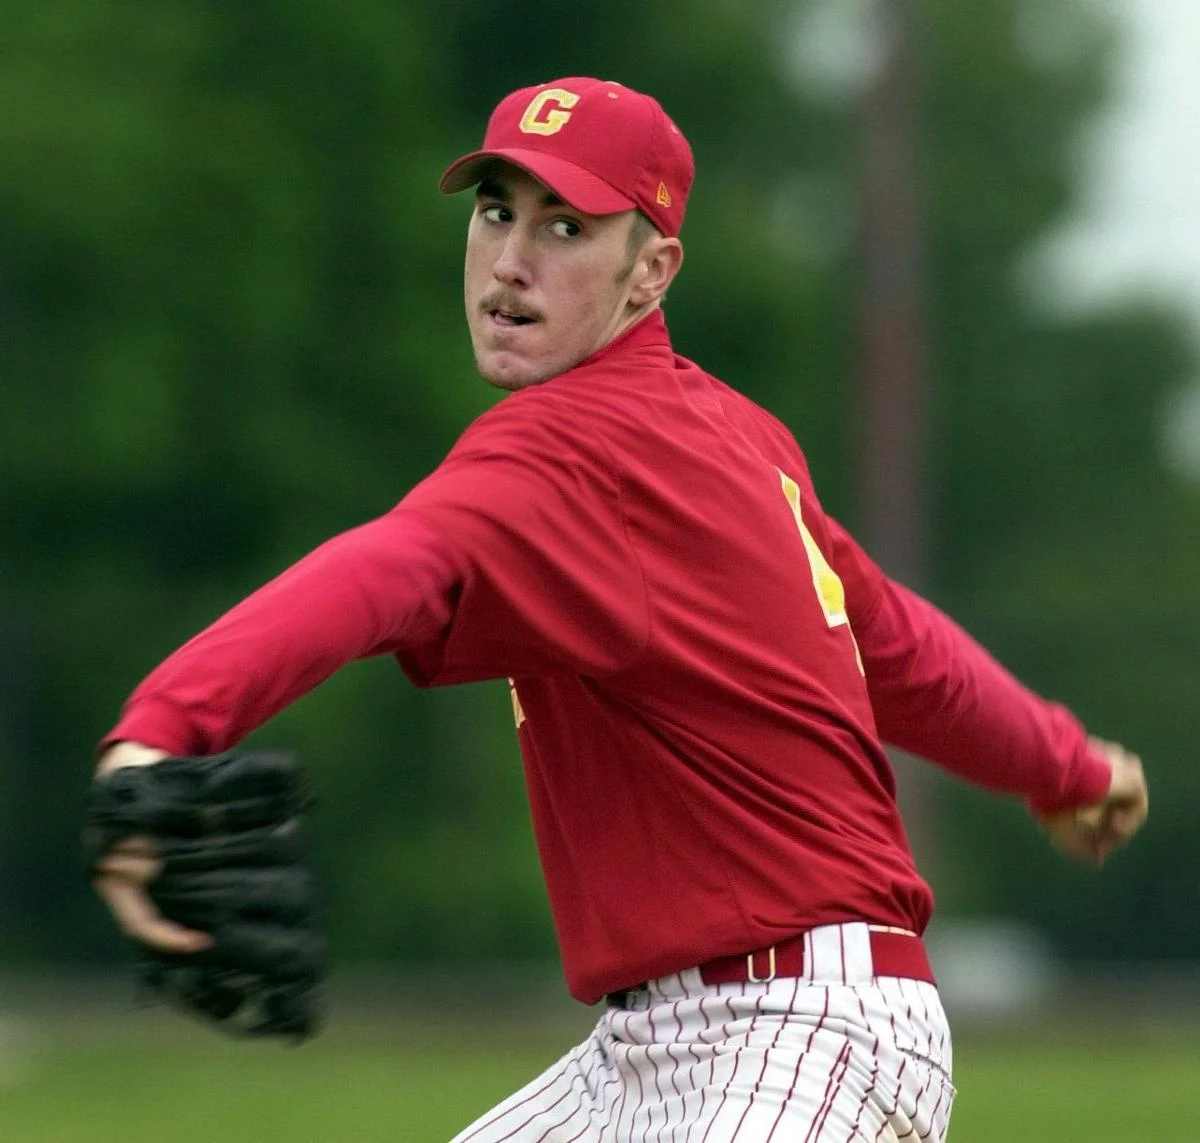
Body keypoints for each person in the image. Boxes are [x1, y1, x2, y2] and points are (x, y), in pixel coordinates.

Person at [92, 77, 1148, 1141]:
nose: (511, 260)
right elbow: (893, 646)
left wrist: (162, 733)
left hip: (796, 1033)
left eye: (567, 228)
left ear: (652, 272)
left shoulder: (566, 448)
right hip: (660, 1045)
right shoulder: (734, 435)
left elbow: (386, 567)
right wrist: (1063, 765)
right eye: (497, 210)